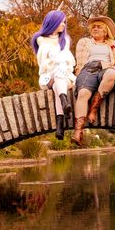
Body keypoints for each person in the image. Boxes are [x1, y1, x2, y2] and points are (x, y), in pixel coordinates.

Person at [72, 15, 115, 146]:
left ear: (105, 31)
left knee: (111, 73)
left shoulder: (113, 44)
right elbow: (80, 63)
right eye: (93, 27)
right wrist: (78, 76)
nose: (95, 28)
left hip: (107, 68)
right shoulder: (84, 42)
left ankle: (94, 108)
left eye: (99, 27)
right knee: (83, 93)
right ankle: (78, 131)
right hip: (89, 69)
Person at [31, 10, 76, 141]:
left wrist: (61, 64)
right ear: (53, 22)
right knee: (57, 74)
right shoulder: (41, 40)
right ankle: (64, 102)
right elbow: (46, 59)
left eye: (64, 22)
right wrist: (58, 62)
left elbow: (67, 58)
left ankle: (60, 124)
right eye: (61, 22)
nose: (63, 25)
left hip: (64, 76)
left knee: (58, 83)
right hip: (48, 75)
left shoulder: (65, 39)